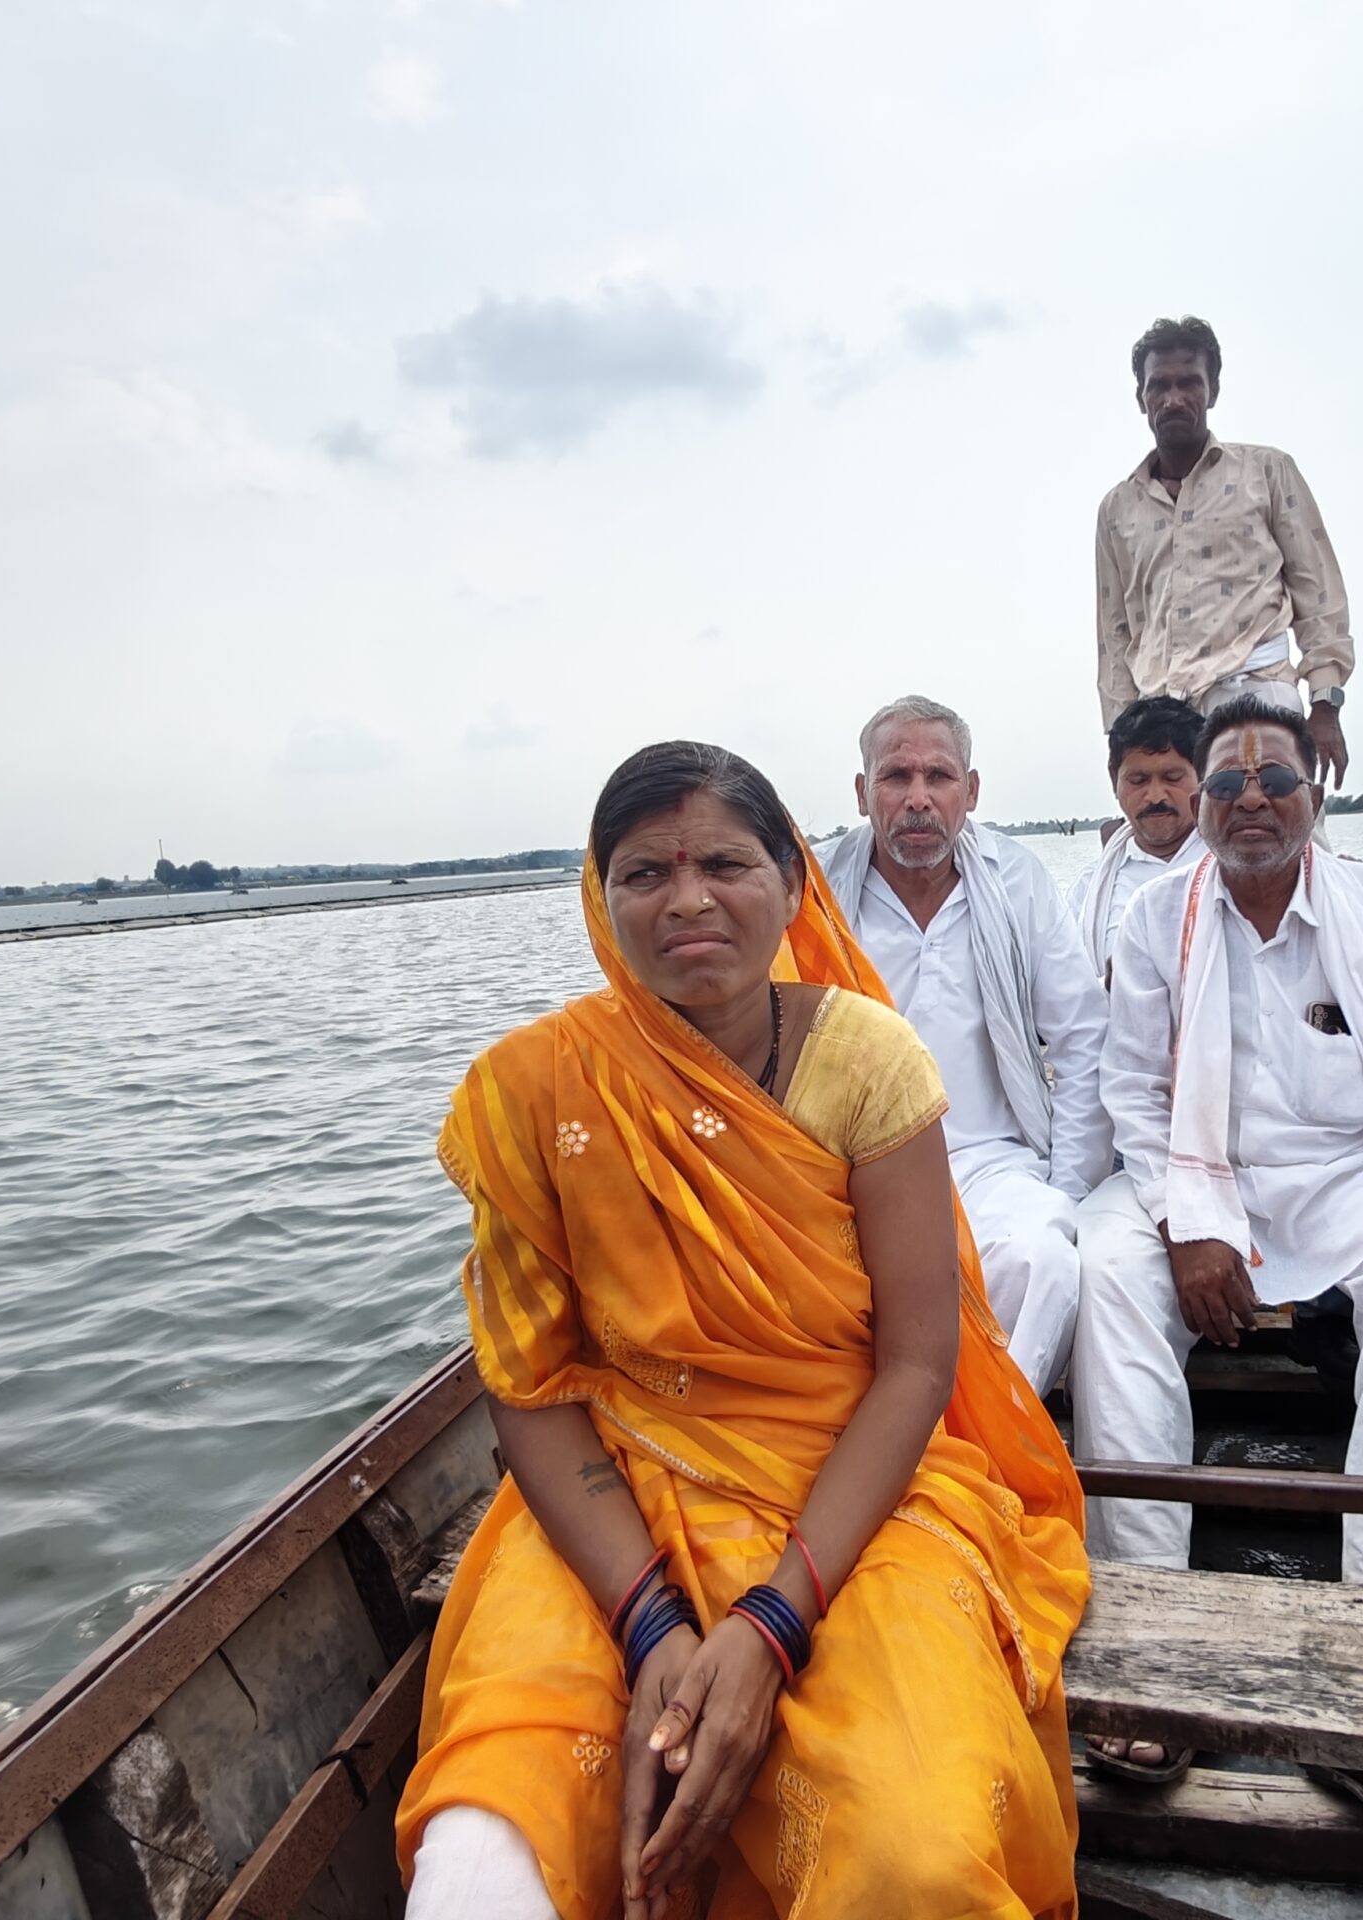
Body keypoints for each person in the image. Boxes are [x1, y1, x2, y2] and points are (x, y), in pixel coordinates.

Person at [398, 741, 1089, 1920]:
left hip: (858, 1493)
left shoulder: (867, 1062)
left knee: (911, 1858)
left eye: (723, 862)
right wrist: (651, 1620)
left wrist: (771, 1621)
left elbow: (918, 1365)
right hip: (615, 1501)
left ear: (792, 882)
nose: (686, 900)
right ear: (600, 897)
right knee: (479, 1859)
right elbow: (529, 1387)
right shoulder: (534, 1092)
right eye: (642, 873)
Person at [1071, 700, 1363, 1797]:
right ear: (1201, 802)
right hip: (1197, 1169)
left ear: (1316, 793)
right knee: (1106, 1268)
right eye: (1225, 783)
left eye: (1276, 780)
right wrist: (1188, 1221)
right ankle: (1151, 1650)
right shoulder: (1153, 917)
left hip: (1353, 1172)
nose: (1249, 799)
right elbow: (1132, 1094)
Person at [819, 697, 1112, 1396]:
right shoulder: (815, 893)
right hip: (848, 1170)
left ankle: (985, 1441)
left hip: (992, 1162)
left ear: (970, 791)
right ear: (863, 794)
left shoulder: (1016, 879)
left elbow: (1082, 1036)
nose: (918, 799)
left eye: (938, 777)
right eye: (896, 777)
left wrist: (1066, 1187)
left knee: (1043, 1255)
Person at [1094, 314, 1355, 787]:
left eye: (1189, 382)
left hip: (1256, 693)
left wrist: (1324, 704)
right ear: (1141, 398)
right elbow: (1114, 636)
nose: (1174, 398)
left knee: (1282, 841)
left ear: (1212, 390)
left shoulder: (1267, 472)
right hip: (1161, 716)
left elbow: (1319, 595)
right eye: (1159, 386)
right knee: (1175, 858)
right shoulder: (1117, 508)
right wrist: (1120, 738)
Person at [1070, 695, 1205, 983]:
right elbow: (1066, 993)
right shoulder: (1090, 890)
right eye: (1138, 781)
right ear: (1113, 779)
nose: (1155, 796)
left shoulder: (1236, 870)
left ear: (1204, 775)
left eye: (1172, 777)